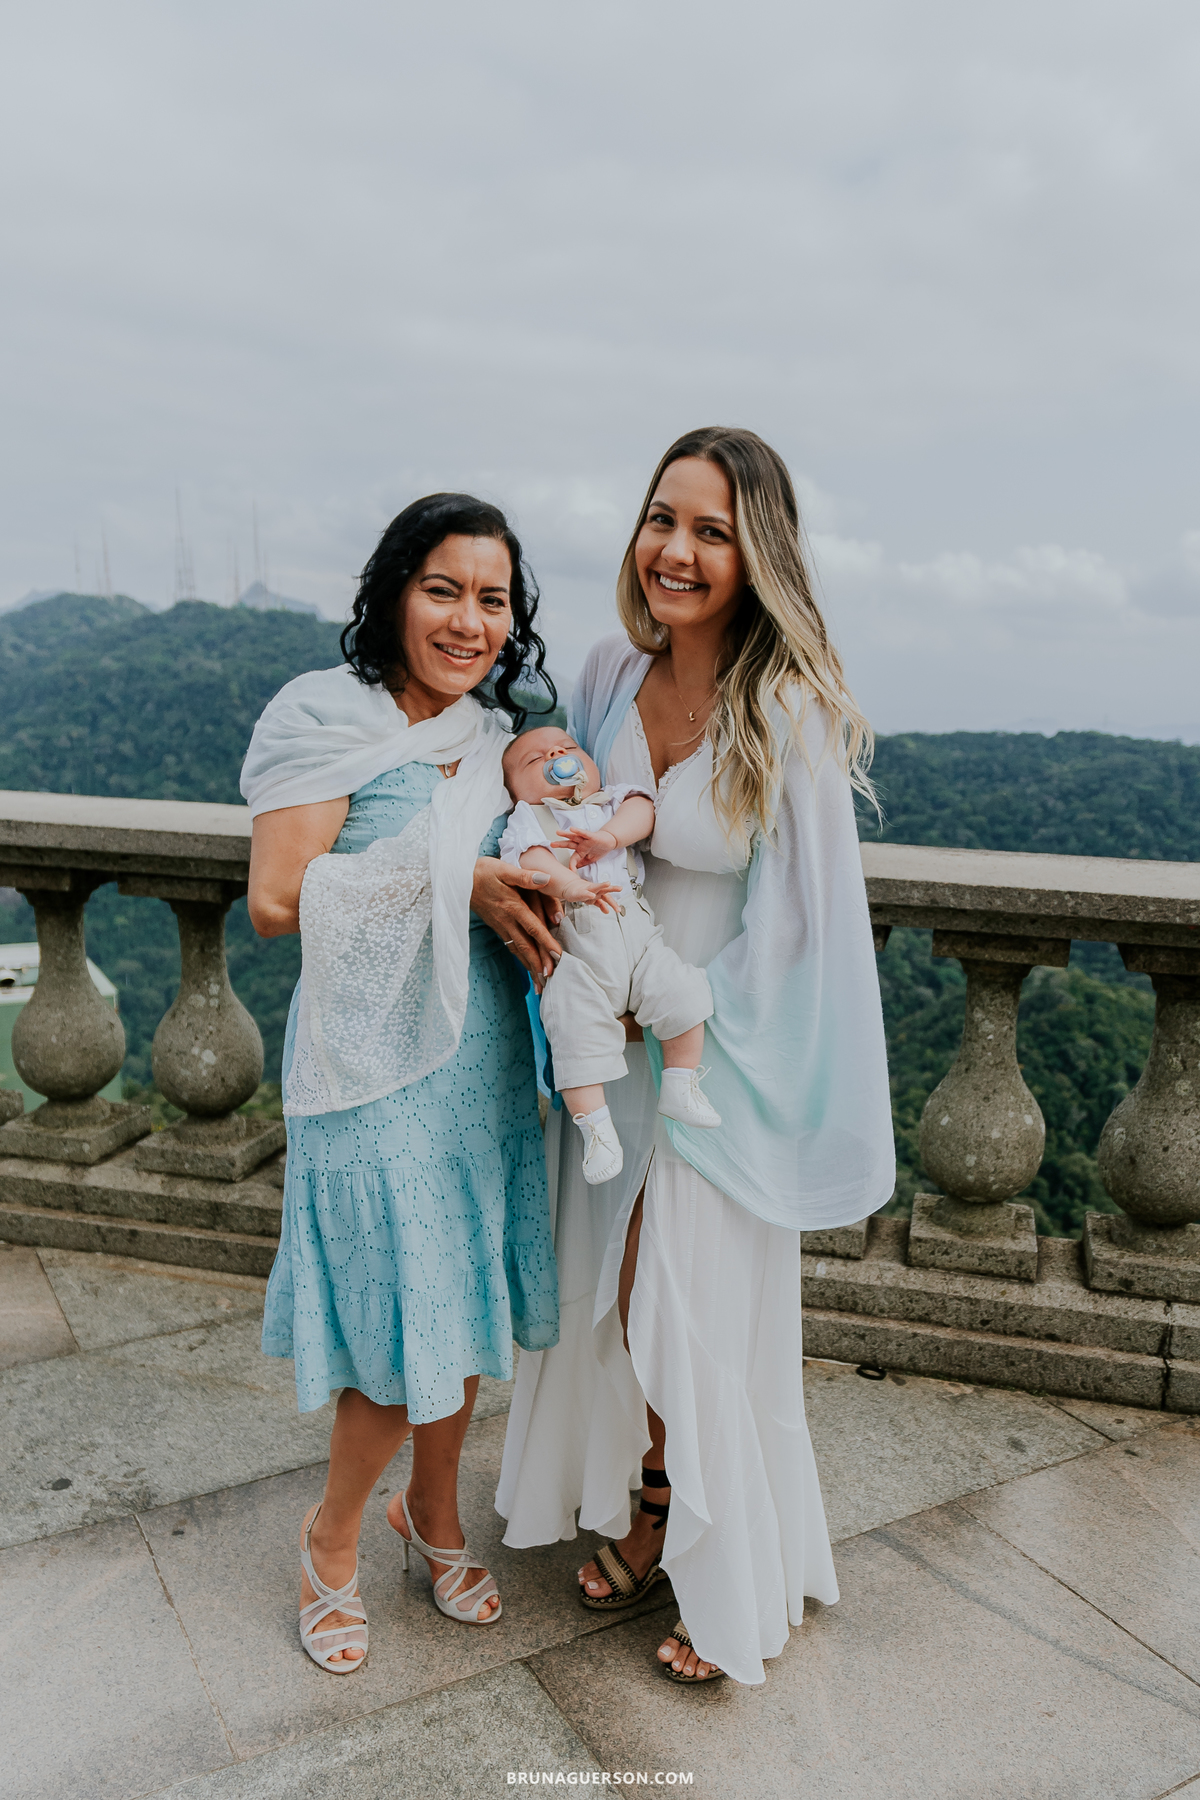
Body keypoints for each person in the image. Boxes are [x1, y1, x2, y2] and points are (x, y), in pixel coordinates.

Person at [496, 428, 895, 1688]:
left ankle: (716, 1562)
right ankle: (650, 1497)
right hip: (605, 1035)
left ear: (756, 553)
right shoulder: (609, 672)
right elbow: (558, 816)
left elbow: (804, 929)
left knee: (683, 1298)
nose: (674, 549)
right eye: (662, 519)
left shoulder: (789, 712)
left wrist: (679, 1012)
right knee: (611, 1290)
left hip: (715, 1049)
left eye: (711, 531)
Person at [243, 493, 562, 1674]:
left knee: (462, 1308)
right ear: (392, 594)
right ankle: (330, 1542)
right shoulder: (323, 716)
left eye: (493, 599)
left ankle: (431, 1515)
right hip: (369, 1072)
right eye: (444, 590)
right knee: (393, 1330)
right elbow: (276, 900)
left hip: (480, 1061)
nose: (470, 621)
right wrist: (455, 880)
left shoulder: (492, 736)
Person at [499, 725, 720, 1184]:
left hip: (636, 932)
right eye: (535, 759)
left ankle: (681, 1082)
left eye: (567, 747)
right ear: (515, 790)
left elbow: (644, 810)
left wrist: (610, 838)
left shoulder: (611, 801)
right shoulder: (528, 817)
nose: (556, 753)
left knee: (683, 989)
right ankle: (597, 1131)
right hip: (576, 945)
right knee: (571, 1028)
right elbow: (531, 860)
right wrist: (569, 885)